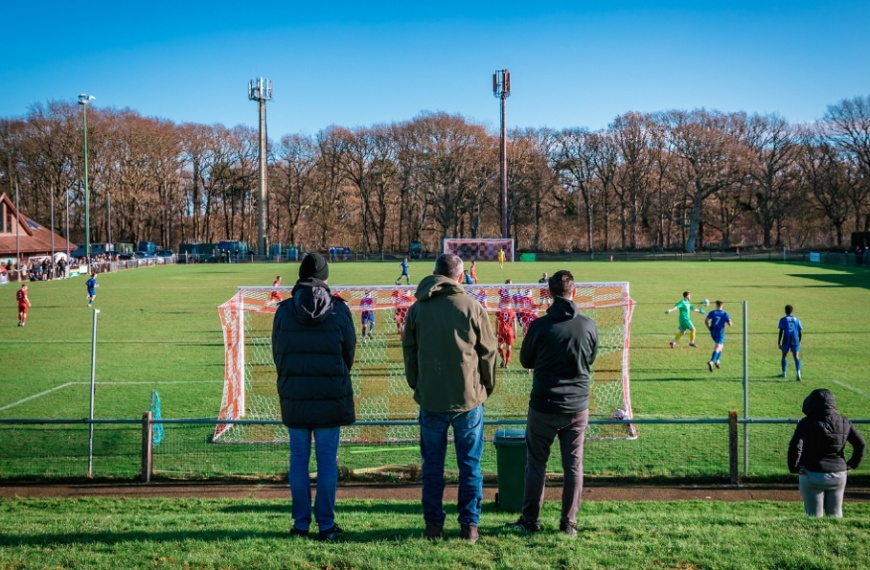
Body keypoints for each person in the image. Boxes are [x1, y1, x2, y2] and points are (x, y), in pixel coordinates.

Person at [402, 253, 498, 543]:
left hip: (431, 397)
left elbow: (409, 350)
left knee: (432, 465)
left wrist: (417, 384)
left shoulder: (418, 308)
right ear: (459, 276)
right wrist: (485, 388)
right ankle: (470, 526)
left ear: (434, 273)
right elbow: (489, 353)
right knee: (469, 465)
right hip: (467, 399)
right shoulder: (472, 306)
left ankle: (434, 526)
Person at [272, 253, 356, 542]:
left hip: (295, 395)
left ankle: (300, 524)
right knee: (327, 462)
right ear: (325, 276)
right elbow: (349, 353)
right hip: (330, 395)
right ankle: (326, 524)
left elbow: (278, 355)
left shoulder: (283, 311)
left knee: (298, 461)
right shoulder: (339, 310)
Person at [511, 270, 598, 537]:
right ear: (575, 290)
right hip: (576, 406)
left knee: (536, 463)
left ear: (549, 292)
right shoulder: (588, 325)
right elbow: (590, 359)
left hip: (544, 405)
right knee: (573, 465)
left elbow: (525, 361)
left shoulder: (539, 326)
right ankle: (568, 523)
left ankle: (530, 520)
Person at [787, 389, 865, 518]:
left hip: (812, 473)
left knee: (813, 516)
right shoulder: (844, 421)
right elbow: (860, 444)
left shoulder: (806, 423)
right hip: (839, 473)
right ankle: (835, 537)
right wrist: (851, 465)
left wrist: (794, 468)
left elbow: (796, 446)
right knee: (836, 515)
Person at [704, 300, 732, 372]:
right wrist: (729, 322)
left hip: (713, 331)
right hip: (720, 332)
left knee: (721, 346)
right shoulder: (725, 314)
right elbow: (730, 324)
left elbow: (706, 320)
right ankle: (712, 361)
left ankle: (717, 361)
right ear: (722, 305)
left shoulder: (712, 312)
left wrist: (709, 327)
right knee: (718, 347)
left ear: (716, 305)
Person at [778, 304, 803, 381]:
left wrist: (779, 342)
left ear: (785, 311)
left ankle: (784, 373)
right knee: (796, 356)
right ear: (792, 311)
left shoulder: (783, 319)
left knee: (784, 355)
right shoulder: (797, 319)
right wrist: (799, 341)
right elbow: (800, 331)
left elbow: (781, 331)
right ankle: (798, 372)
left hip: (786, 337)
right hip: (795, 338)